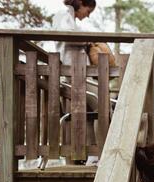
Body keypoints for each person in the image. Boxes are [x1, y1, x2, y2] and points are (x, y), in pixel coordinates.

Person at [52, 0, 99, 166]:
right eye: (89, 11)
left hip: (78, 74)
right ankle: (94, 154)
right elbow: (66, 34)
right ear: (82, 4)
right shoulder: (63, 15)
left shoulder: (69, 17)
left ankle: (92, 156)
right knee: (101, 106)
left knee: (90, 113)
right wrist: (87, 41)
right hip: (73, 75)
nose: (87, 16)